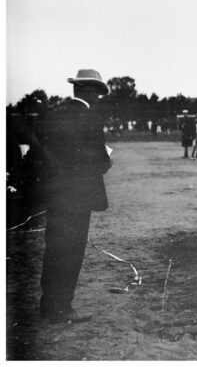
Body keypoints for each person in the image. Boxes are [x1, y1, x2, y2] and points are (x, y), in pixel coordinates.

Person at [33, 69, 113, 323]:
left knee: (54, 248)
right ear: (90, 92)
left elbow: (40, 156)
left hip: (55, 195)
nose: (99, 98)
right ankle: (62, 309)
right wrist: (107, 160)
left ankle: (48, 306)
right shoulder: (91, 118)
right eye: (98, 93)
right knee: (72, 251)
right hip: (78, 197)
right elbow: (99, 162)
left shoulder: (51, 115)